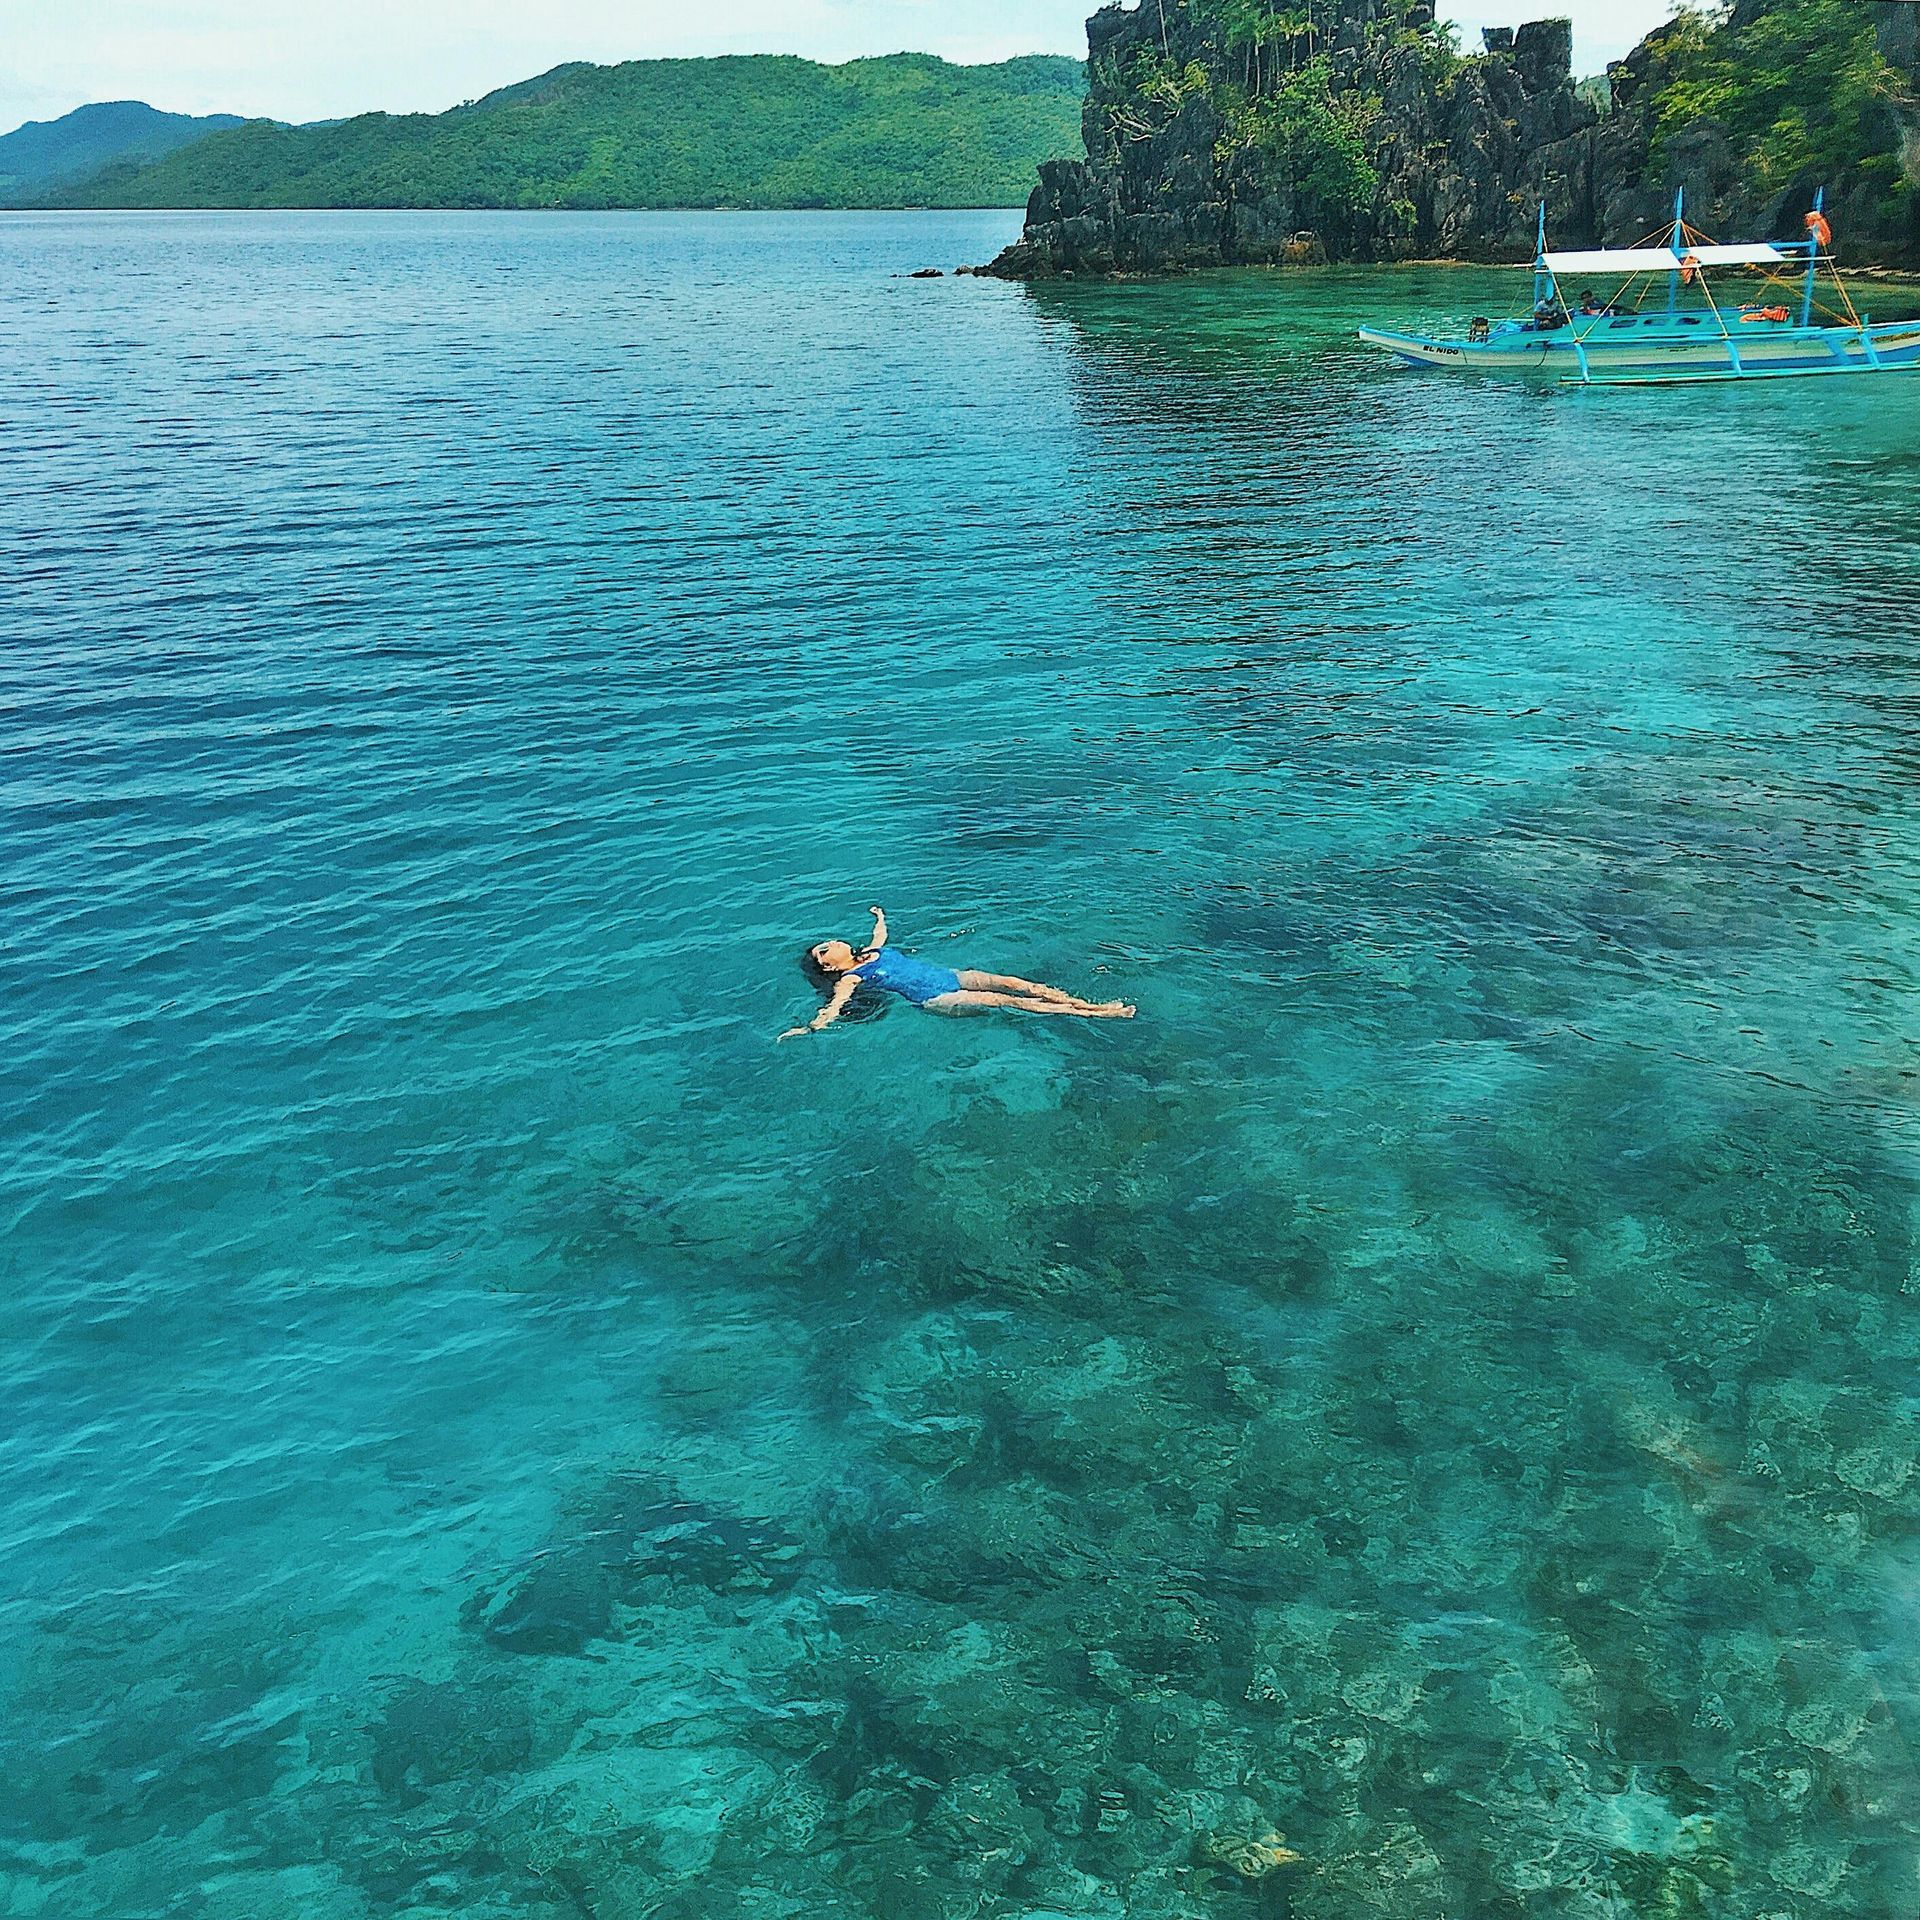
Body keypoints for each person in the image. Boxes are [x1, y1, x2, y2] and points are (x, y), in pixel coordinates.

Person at [782, 906, 1134, 1037]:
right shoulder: (850, 978)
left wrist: (880, 918)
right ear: (828, 965)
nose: (831, 941)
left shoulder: (872, 951)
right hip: (938, 997)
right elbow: (834, 1007)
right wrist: (810, 1027)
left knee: (1015, 983)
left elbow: (881, 937)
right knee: (1003, 1000)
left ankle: (1083, 1004)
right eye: (824, 949)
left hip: (951, 976)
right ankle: (1097, 1014)